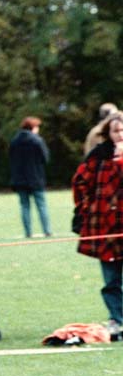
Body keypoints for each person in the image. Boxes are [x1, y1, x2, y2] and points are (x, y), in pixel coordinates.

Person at [72, 112, 123, 340]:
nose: (120, 134)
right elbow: (80, 183)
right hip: (105, 227)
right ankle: (117, 318)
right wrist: (87, 209)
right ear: (108, 133)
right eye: (115, 130)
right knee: (111, 279)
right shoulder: (98, 156)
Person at [9, 116, 52, 238]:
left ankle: (28, 232)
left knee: (24, 206)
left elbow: (11, 159)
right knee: (41, 205)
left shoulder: (14, 141)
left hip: (19, 179)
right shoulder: (37, 141)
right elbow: (45, 158)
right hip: (36, 178)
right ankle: (47, 230)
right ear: (33, 127)